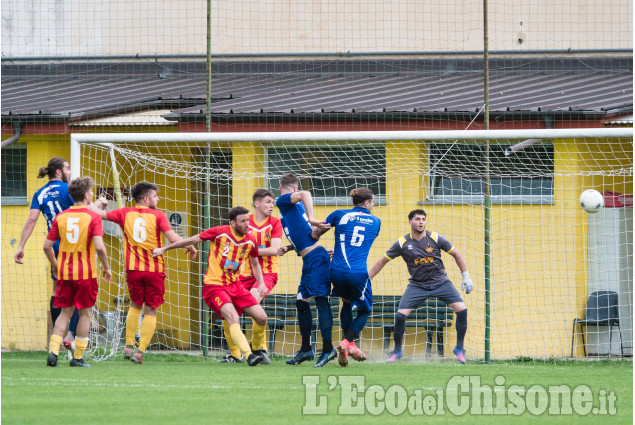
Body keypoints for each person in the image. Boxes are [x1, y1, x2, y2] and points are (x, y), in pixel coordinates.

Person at [89, 182, 197, 364]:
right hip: (154, 270)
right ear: (146, 199)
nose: (158, 199)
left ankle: (128, 345)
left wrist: (98, 200)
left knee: (134, 305)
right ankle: (140, 351)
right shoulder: (158, 215)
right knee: (151, 310)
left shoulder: (124, 213)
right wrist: (190, 245)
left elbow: (94, 212)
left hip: (133, 270)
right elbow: (172, 237)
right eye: (155, 196)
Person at [153, 206, 268, 367]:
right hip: (214, 286)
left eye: (247, 220)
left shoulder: (251, 240)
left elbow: (255, 264)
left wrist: (261, 283)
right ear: (233, 223)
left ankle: (257, 350)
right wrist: (165, 248)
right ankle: (248, 356)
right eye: (243, 221)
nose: (247, 224)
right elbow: (192, 239)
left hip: (236, 286)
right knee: (232, 317)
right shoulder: (220, 231)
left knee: (262, 318)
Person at [368, 209, 474, 364]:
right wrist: (367, 280)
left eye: (423, 219)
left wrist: (466, 276)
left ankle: (459, 348)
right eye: (417, 219)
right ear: (410, 222)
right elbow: (382, 261)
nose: (421, 222)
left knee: (462, 310)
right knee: (400, 316)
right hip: (418, 285)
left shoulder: (435, 238)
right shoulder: (402, 243)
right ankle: (397, 351)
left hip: (441, 282)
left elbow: (456, 254)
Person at [14, 158, 91, 358]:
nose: (70, 171)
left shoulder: (39, 194)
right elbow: (84, 209)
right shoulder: (69, 190)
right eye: (67, 168)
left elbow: (31, 220)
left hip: (54, 244)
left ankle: (57, 336)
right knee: (79, 291)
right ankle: (71, 336)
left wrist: (21, 246)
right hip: (74, 244)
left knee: (59, 291)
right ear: (58, 172)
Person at [44, 176, 112, 367]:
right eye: (91, 192)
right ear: (86, 195)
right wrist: (107, 268)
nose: (92, 194)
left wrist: (56, 265)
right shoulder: (93, 217)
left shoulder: (61, 216)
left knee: (65, 313)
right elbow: (99, 247)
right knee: (85, 315)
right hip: (86, 274)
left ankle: (53, 352)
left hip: (65, 273)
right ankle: (78, 357)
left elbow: (47, 246)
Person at [311, 188, 381, 367]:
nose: (373, 205)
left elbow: (314, 234)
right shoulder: (376, 221)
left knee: (347, 302)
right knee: (365, 310)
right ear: (366, 203)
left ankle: (347, 350)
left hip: (336, 270)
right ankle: (346, 342)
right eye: (373, 202)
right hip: (357, 273)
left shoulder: (339, 215)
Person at [275, 173, 336, 367]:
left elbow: (306, 193)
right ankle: (306, 350)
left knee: (321, 302)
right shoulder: (293, 210)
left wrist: (311, 218)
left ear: (285, 190)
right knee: (301, 303)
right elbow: (311, 236)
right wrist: (289, 247)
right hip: (311, 259)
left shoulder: (284, 202)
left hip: (316, 259)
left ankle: (328, 350)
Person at [219, 189, 282, 365]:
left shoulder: (275, 223)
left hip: (267, 272)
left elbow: (274, 250)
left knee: (253, 304)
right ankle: (235, 354)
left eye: (273, 202)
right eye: (268, 202)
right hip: (242, 274)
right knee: (227, 312)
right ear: (257, 204)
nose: (272, 205)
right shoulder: (245, 221)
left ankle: (259, 348)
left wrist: (247, 250)